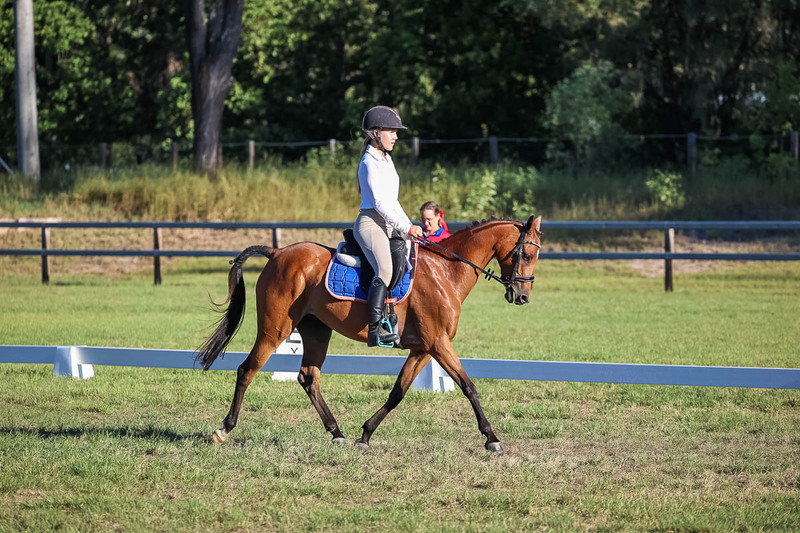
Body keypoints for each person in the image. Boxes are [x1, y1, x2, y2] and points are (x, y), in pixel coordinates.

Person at [354, 106, 424, 347]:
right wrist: (405, 227)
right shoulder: (369, 162)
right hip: (371, 223)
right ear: (376, 132)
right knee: (384, 270)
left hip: (388, 222)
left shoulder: (387, 159)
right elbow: (380, 203)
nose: (396, 136)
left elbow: (393, 201)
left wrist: (409, 227)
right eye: (391, 131)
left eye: (396, 132)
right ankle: (376, 330)